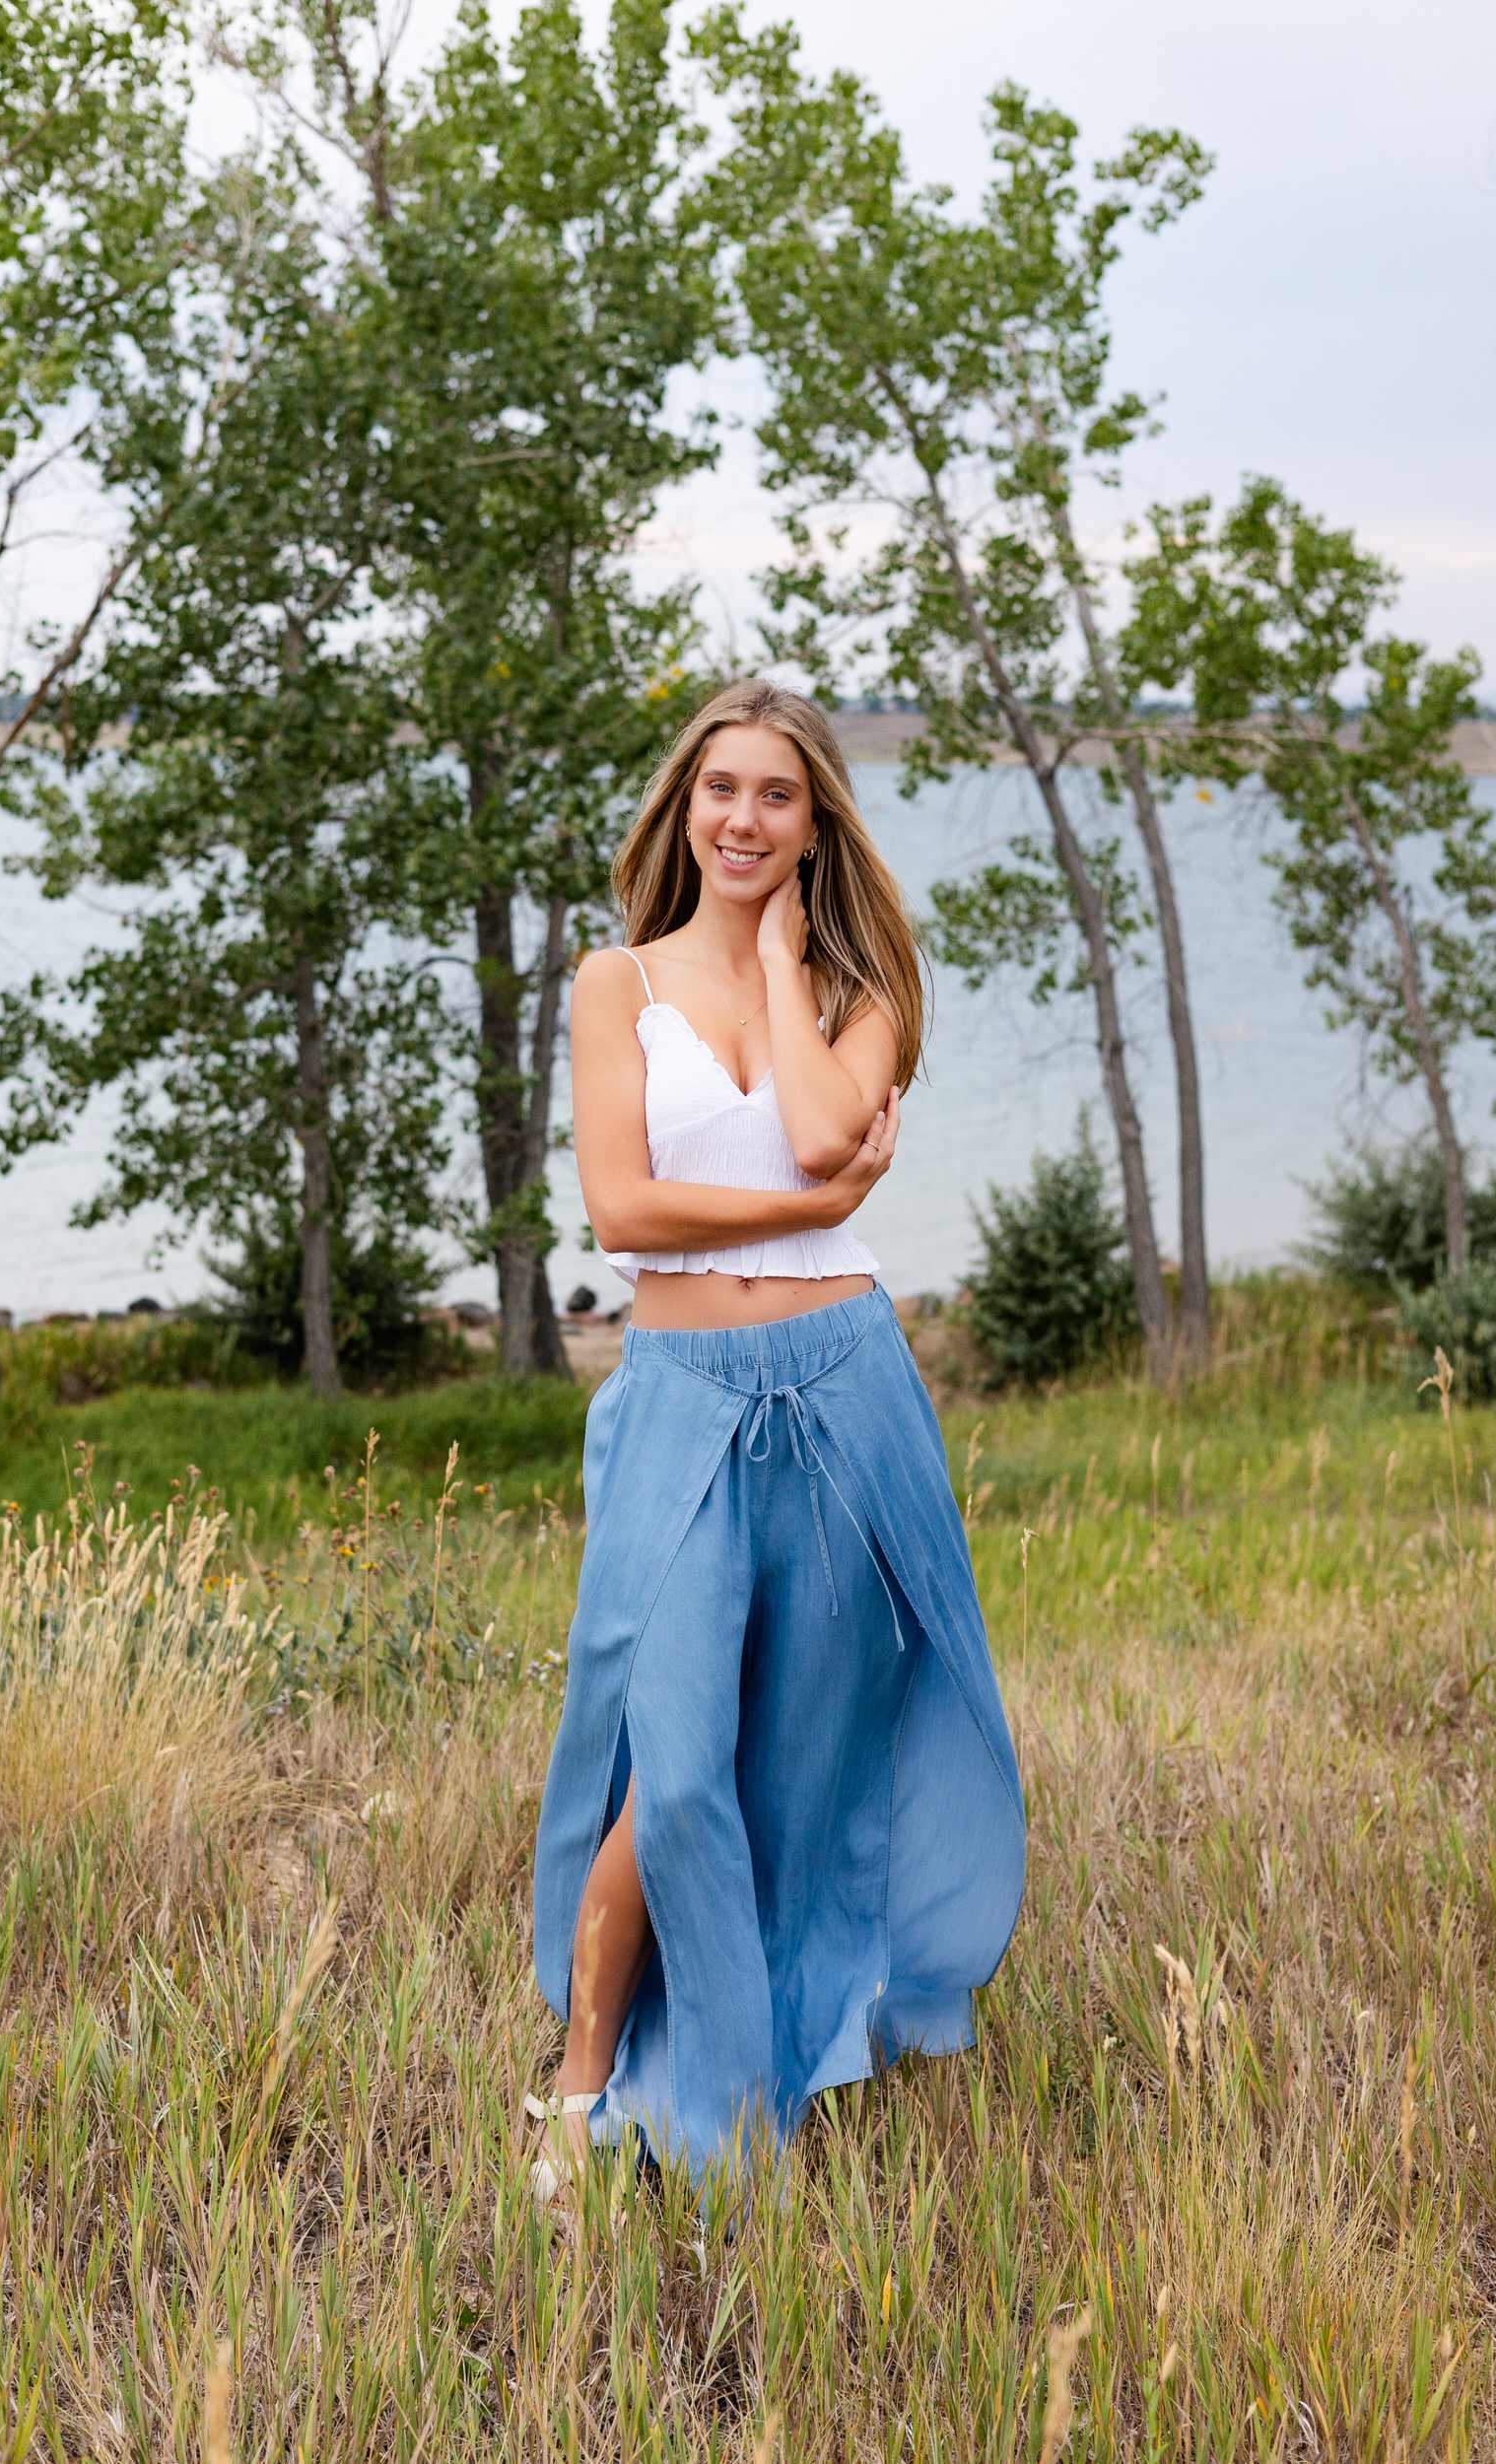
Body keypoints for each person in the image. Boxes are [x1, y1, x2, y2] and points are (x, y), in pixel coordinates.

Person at [527, 679, 1026, 2207]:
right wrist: (811, 1217)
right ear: (686, 804)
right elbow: (625, 1214)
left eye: (778, 798)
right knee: (667, 1770)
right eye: (721, 791)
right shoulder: (615, 985)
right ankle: (576, 2086)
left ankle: (762, 2079)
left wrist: (791, 962)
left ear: (817, 825)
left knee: (801, 1759)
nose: (743, 820)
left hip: (841, 1389)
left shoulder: (863, 986)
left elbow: (822, 1129)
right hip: (679, 1391)